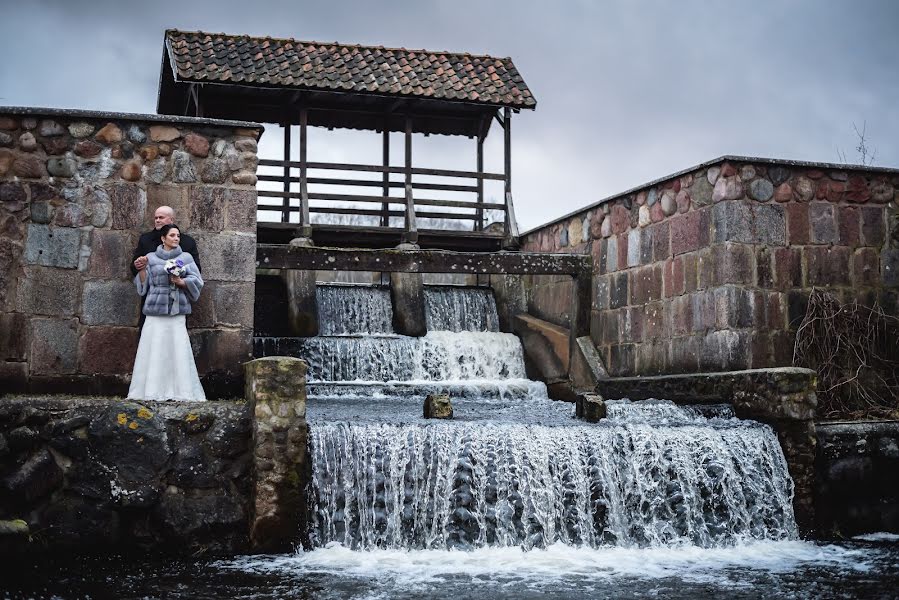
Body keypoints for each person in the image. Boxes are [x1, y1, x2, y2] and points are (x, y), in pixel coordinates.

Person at [128, 224, 206, 401]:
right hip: (155, 310)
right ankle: (149, 391)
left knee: (177, 349)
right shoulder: (150, 258)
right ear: (163, 238)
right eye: (172, 235)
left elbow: (197, 280)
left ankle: (182, 391)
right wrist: (141, 270)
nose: (176, 238)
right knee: (153, 348)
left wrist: (181, 282)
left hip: (176, 309)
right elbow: (143, 286)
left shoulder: (185, 257)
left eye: (178, 235)